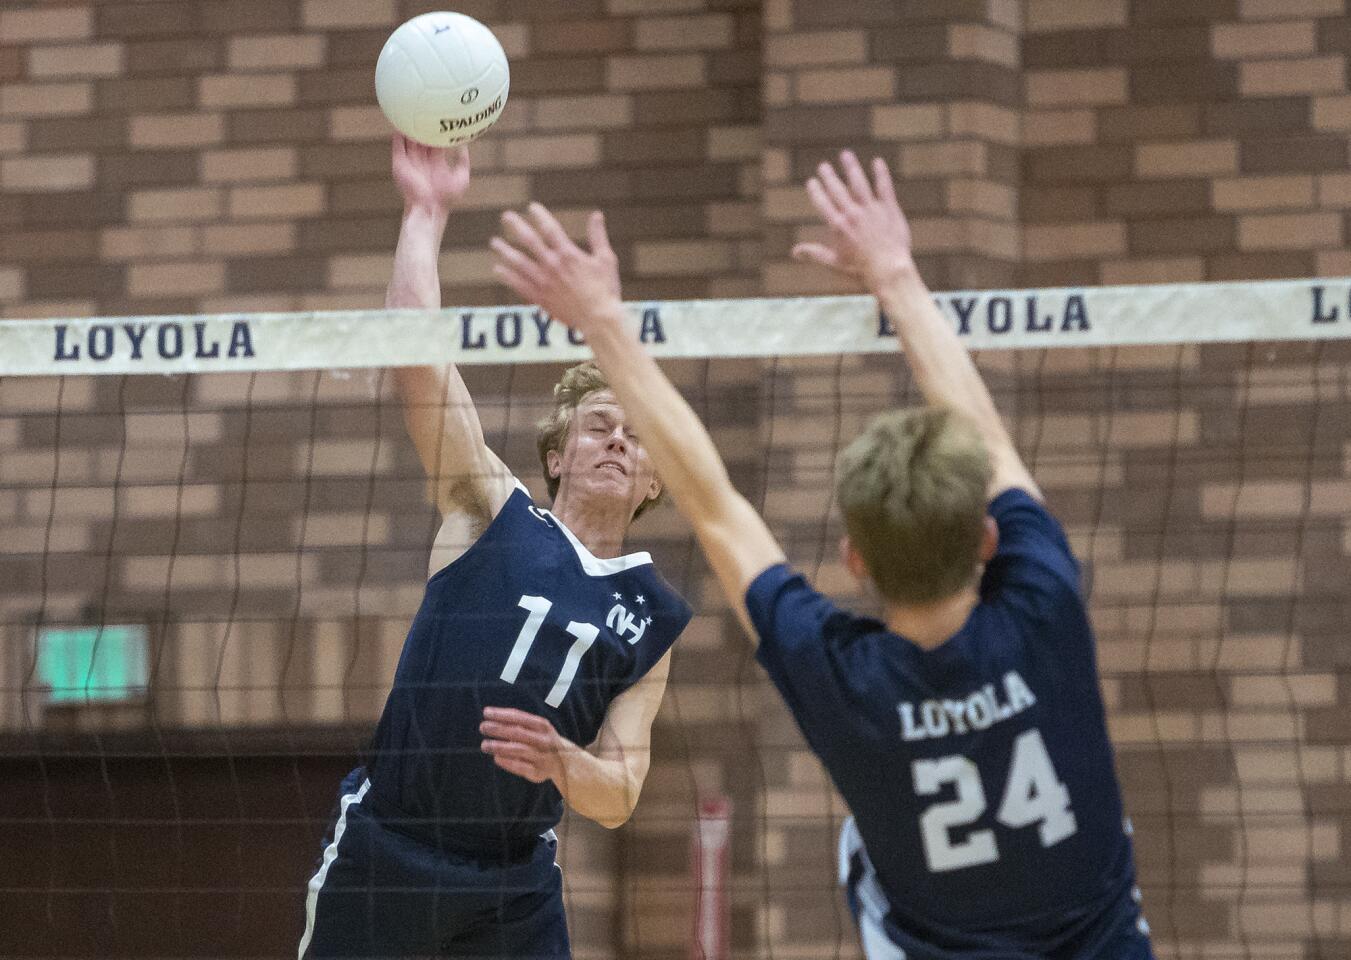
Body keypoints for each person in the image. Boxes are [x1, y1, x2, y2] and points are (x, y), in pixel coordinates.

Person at [489, 151, 1153, 959]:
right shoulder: (1043, 607)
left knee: (861, 858)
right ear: (989, 540)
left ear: (854, 561)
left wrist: (603, 325)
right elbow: (988, 437)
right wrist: (896, 276)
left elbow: (716, 506)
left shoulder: (839, 674)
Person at [298, 135, 692, 960]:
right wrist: (425, 212)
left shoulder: (651, 618)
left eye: (635, 433)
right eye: (597, 426)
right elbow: (419, 365)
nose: (617, 441)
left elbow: (618, 794)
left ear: (656, 478)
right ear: (558, 455)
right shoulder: (491, 507)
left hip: (513, 883)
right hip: (390, 853)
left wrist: (560, 761)